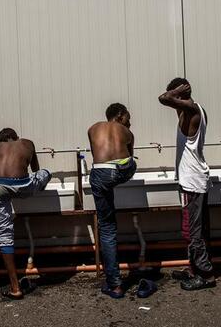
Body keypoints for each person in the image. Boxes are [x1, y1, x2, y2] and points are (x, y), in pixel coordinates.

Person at [158, 78, 215, 290]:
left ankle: (206, 275)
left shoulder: (192, 110)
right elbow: (169, 100)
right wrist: (177, 94)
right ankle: (193, 268)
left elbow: (164, 99)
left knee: (194, 231)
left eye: (175, 96)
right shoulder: (187, 111)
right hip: (191, 179)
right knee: (191, 229)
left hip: (192, 181)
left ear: (180, 95)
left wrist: (174, 92)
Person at [0, 128, 51, 299]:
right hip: (22, 184)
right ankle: (40, 188)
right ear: (16, 137)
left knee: (4, 234)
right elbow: (35, 169)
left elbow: (3, 166)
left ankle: (15, 288)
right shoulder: (27, 143)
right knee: (45, 173)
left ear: (1, 141)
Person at [87, 103, 137, 299]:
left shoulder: (92, 128)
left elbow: (97, 155)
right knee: (132, 163)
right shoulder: (127, 132)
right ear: (120, 115)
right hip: (122, 170)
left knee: (107, 229)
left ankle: (115, 285)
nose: (129, 123)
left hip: (101, 173)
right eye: (128, 118)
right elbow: (130, 155)